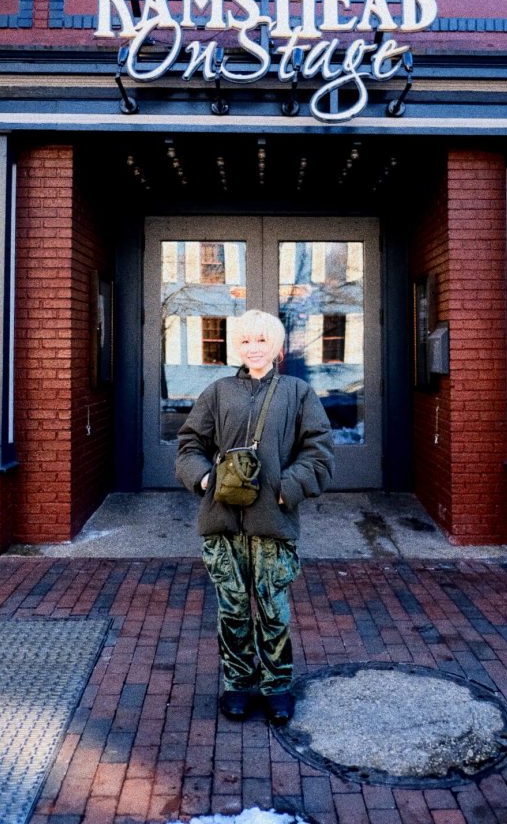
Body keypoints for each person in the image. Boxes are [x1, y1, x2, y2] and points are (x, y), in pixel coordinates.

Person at [176, 309, 335, 724]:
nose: (254, 348)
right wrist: (204, 478)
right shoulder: (218, 392)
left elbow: (319, 452)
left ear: (277, 347)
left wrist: (287, 488)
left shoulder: (298, 393)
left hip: (273, 523)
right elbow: (189, 445)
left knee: (272, 609)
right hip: (222, 522)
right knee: (231, 610)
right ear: (238, 346)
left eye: (262, 340)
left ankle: (277, 685)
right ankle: (237, 683)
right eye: (246, 340)